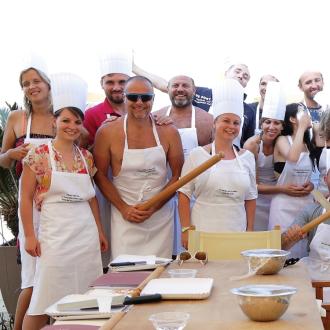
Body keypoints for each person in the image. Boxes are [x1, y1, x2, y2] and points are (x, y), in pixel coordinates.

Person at [20, 73, 107, 329]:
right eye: (66, 120)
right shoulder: (39, 155)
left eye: (77, 121)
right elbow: (25, 198)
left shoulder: (85, 157)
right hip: (55, 235)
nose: (72, 125)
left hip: (85, 235)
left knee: (85, 298)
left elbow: (91, 199)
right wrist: (29, 236)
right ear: (55, 121)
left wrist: (100, 231)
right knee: (42, 298)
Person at [93, 76, 184, 259]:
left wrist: (155, 206)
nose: (140, 103)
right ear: (124, 98)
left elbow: (177, 176)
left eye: (146, 97)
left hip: (161, 216)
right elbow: (100, 175)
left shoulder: (169, 132)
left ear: (153, 99)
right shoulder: (108, 132)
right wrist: (124, 208)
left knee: (159, 273)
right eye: (133, 97)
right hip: (124, 215)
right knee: (125, 273)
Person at [0, 57, 54, 330]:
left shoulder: (63, 117)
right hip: (29, 206)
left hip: (59, 205)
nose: (31, 87)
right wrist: (11, 153)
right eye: (26, 84)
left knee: (55, 274)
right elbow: (3, 160)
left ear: (48, 83)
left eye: (36, 81)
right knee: (33, 278)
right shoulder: (17, 118)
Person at [178, 79, 257, 249]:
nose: (231, 126)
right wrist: (185, 229)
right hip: (203, 231)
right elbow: (183, 194)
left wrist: (250, 229)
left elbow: (250, 197)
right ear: (214, 123)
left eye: (236, 123)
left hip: (237, 230)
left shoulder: (247, 158)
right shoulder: (197, 155)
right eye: (226, 121)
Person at [153, 75, 213, 255]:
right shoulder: (155, 117)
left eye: (185, 86)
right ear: (168, 90)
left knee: (192, 248)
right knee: (164, 247)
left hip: (195, 194)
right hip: (163, 191)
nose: (180, 89)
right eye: (175, 85)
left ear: (194, 91)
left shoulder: (207, 120)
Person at [133, 62, 255, 146]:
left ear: (246, 84)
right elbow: (163, 84)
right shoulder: (202, 92)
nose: (240, 76)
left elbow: (247, 141)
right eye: (237, 71)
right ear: (226, 73)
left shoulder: (249, 110)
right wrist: (134, 67)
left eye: (245, 76)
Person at [268, 103, 314, 258]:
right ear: (292, 119)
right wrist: (301, 128)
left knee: (302, 249)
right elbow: (293, 158)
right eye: (303, 113)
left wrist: (311, 185)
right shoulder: (282, 140)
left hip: (304, 203)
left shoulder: (308, 145)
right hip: (283, 204)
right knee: (281, 249)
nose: (307, 116)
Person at [282, 166, 330, 302]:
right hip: (313, 278)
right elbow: (281, 246)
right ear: (326, 179)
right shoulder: (312, 210)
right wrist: (291, 238)